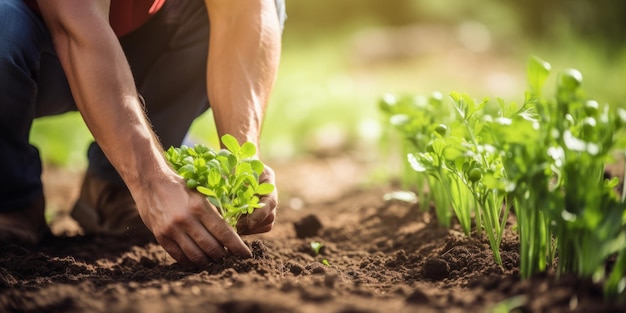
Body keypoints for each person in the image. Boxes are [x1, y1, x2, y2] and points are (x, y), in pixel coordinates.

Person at [0, 0, 286, 267]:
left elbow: (241, 13)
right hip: (31, 42)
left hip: (138, 41)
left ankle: (113, 189)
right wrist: (151, 181)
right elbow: (74, 29)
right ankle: (12, 198)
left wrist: (243, 158)